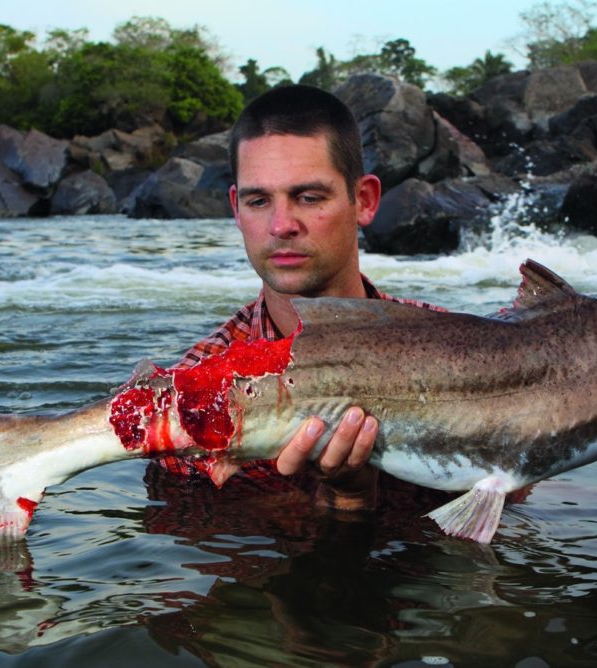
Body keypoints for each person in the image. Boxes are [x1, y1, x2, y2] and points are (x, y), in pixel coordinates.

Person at [152, 84, 443, 511]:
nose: (281, 225)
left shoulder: (456, 350)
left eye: (308, 197)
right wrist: (345, 504)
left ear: (363, 201)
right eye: (258, 200)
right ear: (236, 208)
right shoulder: (188, 401)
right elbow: (223, 553)